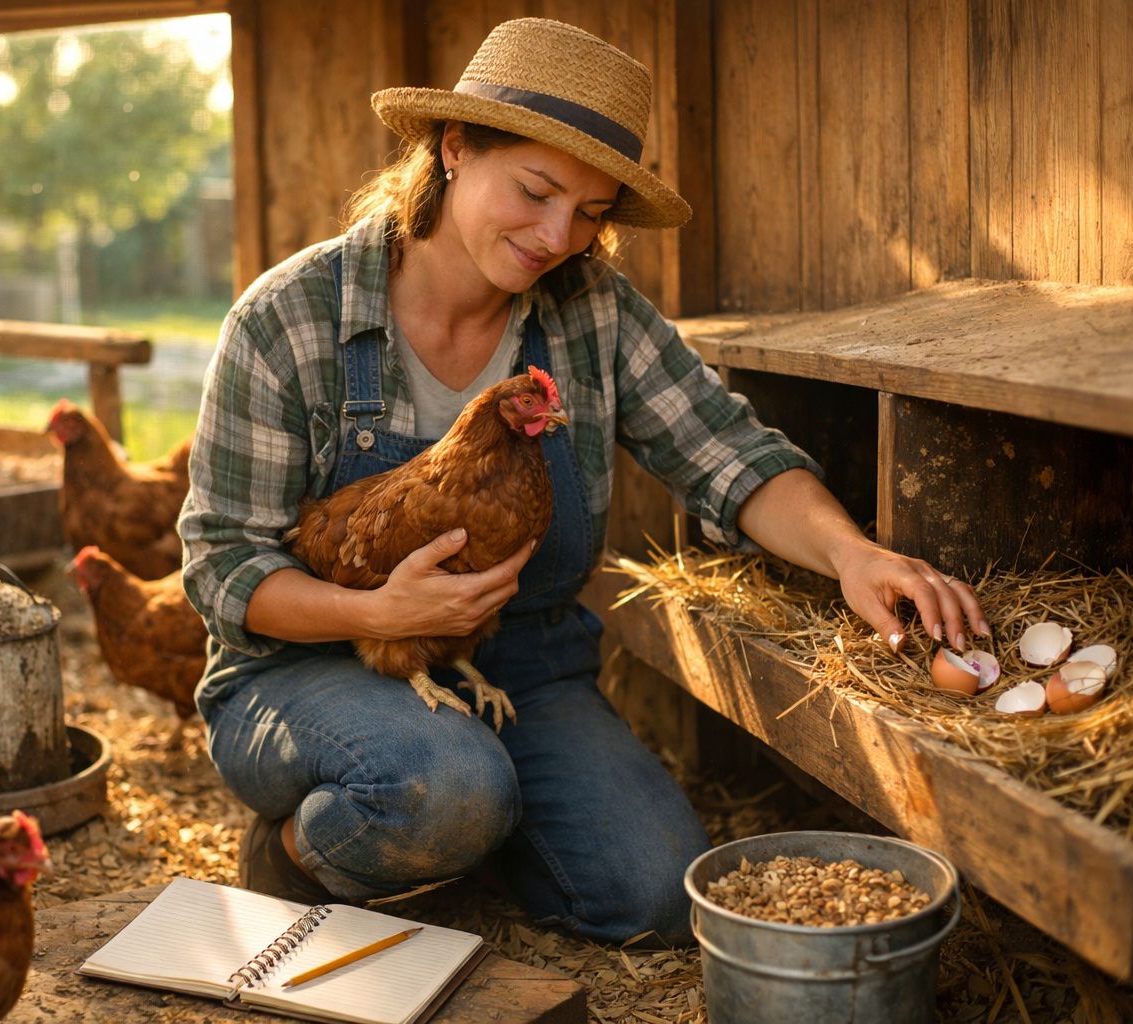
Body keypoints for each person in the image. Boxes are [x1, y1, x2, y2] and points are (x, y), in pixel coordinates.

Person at [178, 17, 988, 945]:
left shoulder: (588, 310)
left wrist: (852, 554)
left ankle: (469, 826)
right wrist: (378, 614)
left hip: (513, 664)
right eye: (536, 189)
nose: (558, 235)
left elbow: (725, 450)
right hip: (309, 667)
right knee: (445, 788)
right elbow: (222, 569)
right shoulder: (288, 322)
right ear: (453, 149)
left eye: (592, 211)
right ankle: (298, 850)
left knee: (649, 892)